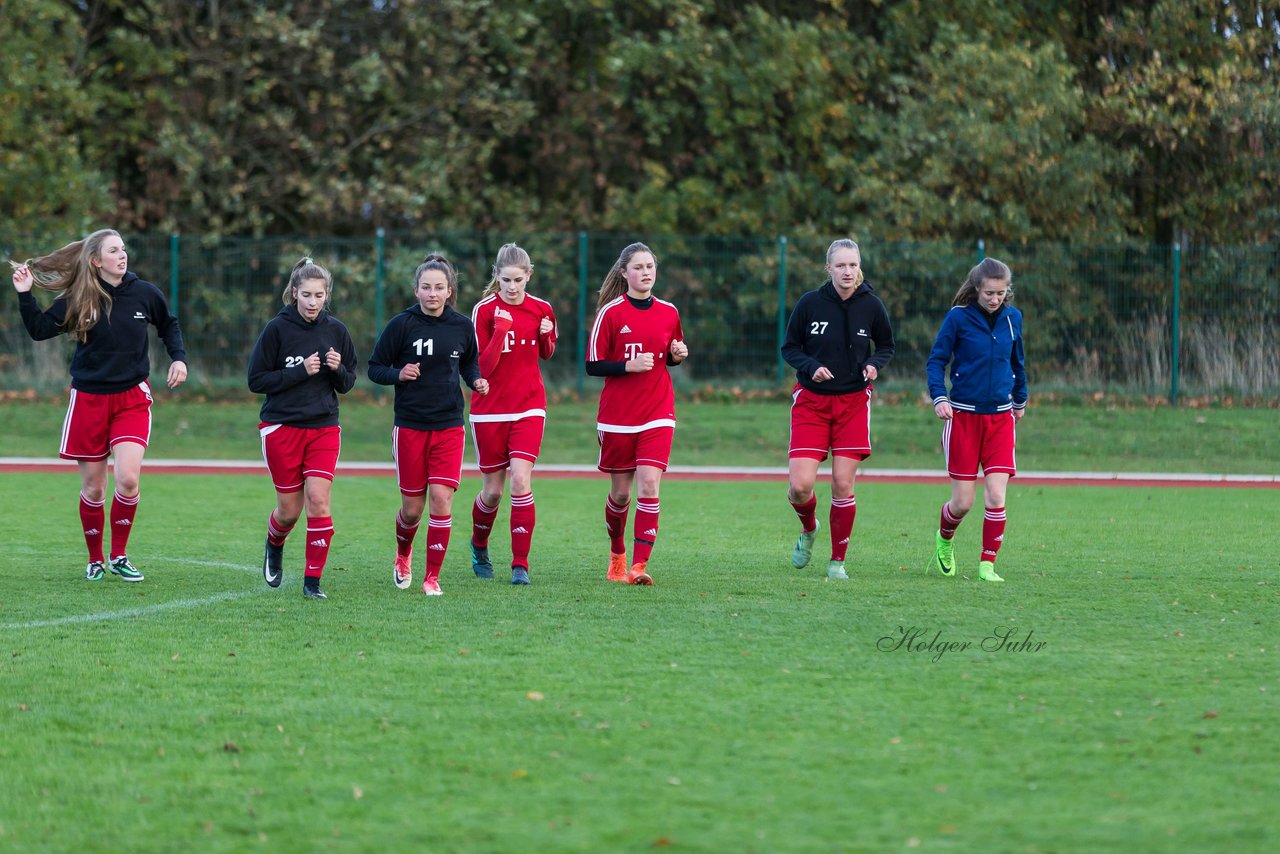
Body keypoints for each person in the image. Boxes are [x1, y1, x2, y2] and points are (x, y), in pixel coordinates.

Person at [11, 229, 188, 582]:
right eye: (113, 250)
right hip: (89, 400)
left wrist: (179, 359)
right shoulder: (81, 296)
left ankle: (119, 555)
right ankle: (95, 559)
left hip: (131, 400)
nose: (122, 255)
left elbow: (169, 325)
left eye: (123, 248)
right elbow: (40, 330)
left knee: (127, 479)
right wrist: (25, 294)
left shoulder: (145, 293)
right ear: (96, 260)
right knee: (94, 488)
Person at [368, 254, 489, 596]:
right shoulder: (401, 325)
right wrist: (398, 374)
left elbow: (469, 365)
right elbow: (375, 367)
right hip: (409, 426)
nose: (432, 293)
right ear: (416, 290)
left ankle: (432, 577)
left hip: (449, 425)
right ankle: (403, 553)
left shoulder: (462, 326)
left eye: (439, 287)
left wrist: (476, 381)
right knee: (412, 509)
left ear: (450, 291)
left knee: (441, 499)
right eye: (426, 287)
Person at [781, 238, 895, 580]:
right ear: (828, 268)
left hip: (853, 404)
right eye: (841, 265)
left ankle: (836, 562)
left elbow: (887, 345)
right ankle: (809, 527)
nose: (848, 271)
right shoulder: (810, 304)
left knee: (843, 485)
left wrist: (875, 363)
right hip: (812, 403)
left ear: (860, 268)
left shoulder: (871, 305)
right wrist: (811, 365)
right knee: (800, 487)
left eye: (853, 265)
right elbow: (789, 347)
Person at [247, 257, 358, 600]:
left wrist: (338, 370)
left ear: (327, 296)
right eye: (306, 295)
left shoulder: (337, 330)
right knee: (289, 511)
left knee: (318, 501)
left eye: (319, 295)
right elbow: (256, 380)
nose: (312, 302)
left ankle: (313, 582)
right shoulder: (277, 329)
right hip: (281, 427)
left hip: (323, 428)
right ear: (294, 293)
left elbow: (349, 382)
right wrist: (301, 371)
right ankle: (275, 542)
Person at [586, 242, 688, 586]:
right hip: (617, 416)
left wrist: (676, 354)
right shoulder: (610, 313)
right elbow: (592, 365)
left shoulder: (669, 312)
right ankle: (617, 555)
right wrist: (627, 365)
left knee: (649, 484)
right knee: (621, 494)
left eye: (650, 267)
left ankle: (639, 566)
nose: (646, 272)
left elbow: (669, 355)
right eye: (639, 267)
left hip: (658, 410)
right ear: (624, 273)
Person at [925, 257, 1026, 582]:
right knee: (963, 503)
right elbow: (936, 361)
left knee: (996, 496)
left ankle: (987, 565)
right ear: (976, 290)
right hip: (964, 419)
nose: (995, 299)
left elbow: (1018, 361)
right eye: (989, 294)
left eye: (1000, 293)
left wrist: (1020, 399)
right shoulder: (958, 318)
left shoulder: (1013, 318)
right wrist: (939, 397)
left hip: (1000, 420)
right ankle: (944, 539)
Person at [467, 243, 557, 585]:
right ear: (497, 277)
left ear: (529, 276)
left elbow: (546, 353)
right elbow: (481, 369)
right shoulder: (484, 311)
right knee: (493, 492)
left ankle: (520, 565)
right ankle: (479, 545)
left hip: (529, 406)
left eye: (518, 279)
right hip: (489, 411)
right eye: (505, 280)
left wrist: (547, 339)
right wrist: (502, 329)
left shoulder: (542, 308)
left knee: (521, 479)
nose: (512, 287)